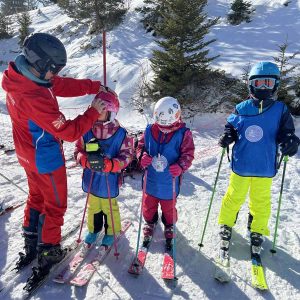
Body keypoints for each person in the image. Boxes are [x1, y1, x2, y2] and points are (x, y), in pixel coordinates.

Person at [1, 32, 116, 278]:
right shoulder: (33, 97)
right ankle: (48, 252)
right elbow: (70, 132)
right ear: (41, 65)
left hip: (26, 153)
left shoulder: (23, 77)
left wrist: (94, 86)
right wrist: (93, 112)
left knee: (36, 197)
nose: (56, 75)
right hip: (45, 157)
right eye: (54, 70)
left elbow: (60, 85)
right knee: (55, 205)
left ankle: (32, 242)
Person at [217, 61, 299, 263]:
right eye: (259, 83)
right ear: (251, 85)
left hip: (264, 167)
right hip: (241, 165)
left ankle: (257, 230)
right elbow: (231, 127)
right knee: (233, 197)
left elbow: (286, 133)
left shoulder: (280, 110)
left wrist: (290, 141)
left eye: (268, 83)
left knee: (261, 202)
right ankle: (226, 224)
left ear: (275, 85)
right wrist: (228, 136)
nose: (263, 88)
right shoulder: (241, 108)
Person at [74, 91, 132, 248]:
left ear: (111, 113)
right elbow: (78, 150)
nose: (98, 113)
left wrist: (111, 165)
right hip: (92, 178)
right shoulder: (86, 129)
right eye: (96, 109)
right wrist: (84, 160)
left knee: (109, 206)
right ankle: (93, 229)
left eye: (102, 110)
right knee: (93, 205)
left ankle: (112, 231)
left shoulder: (120, 134)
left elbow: (127, 156)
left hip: (109, 179)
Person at [137, 96, 195, 250]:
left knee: (169, 207)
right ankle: (150, 222)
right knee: (148, 205)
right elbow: (140, 146)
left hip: (169, 182)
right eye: (160, 124)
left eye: (167, 126)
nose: (163, 129)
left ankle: (169, 225)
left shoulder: (183, 134)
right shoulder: (150, 130)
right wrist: (141, 156)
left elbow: (188, 154)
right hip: (151, 180)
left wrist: (181, 166)